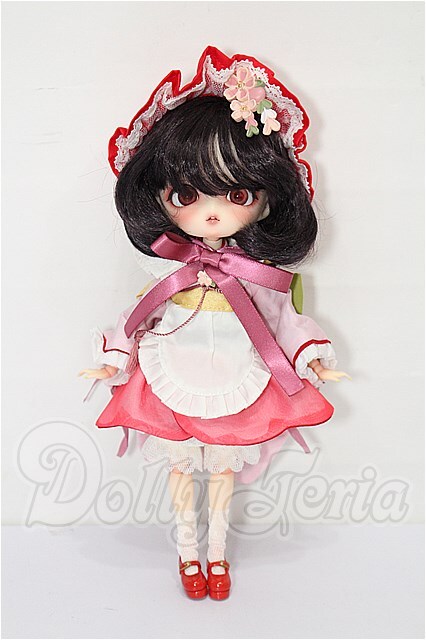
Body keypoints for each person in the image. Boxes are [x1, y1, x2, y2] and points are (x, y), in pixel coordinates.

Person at [79, 46, 349, 600]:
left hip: (235, 371)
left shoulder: (257, 273)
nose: (210, 212)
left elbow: (284, 317)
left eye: (237, 194)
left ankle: (218, 555)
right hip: (173, 370)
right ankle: (187, 553)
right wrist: (112, 358)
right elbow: (138, 316)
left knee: (221, 472)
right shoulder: (170, 272)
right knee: (180, 470)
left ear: (267, 198)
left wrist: (311, 356)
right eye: (185, 194)